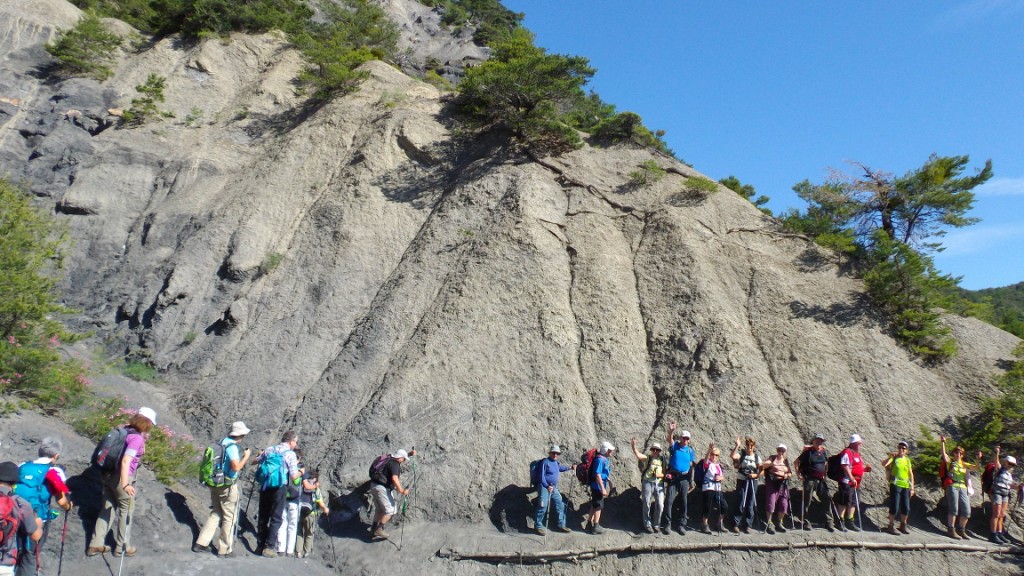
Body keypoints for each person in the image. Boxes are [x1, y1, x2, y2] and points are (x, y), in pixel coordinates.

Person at [88, 406, 156, 557]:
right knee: (126, 511)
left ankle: (95, 544)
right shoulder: (136, 438)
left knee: (107, 508)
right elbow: (126, 461)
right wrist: (126, 484)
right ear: (147, 422)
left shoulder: (124, 431)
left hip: (108, 475)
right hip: (122, 478)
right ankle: (122, 547)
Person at [14, 437, 72, 575]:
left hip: (15, 513)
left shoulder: (22, 465)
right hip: (37, 517)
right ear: (56, 455)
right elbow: (61, 501)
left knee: (15, 550)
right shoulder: (54, 471)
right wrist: (69, 507)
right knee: (31, 553)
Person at [193, 421, 251, 557]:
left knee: (216, 512)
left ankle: (201, 543)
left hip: (214, 483)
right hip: (227, 485)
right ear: (241, 434)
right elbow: (236, 467)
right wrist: (246, 457)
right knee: (229, 516)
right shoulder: (232, 447)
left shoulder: (221, 442)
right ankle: (224, 549)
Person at [253, 431, 301, 557]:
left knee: (263, 516)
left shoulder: (270, 449)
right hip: (279, 488)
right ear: (291, 441)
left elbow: (256, 461)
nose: (295, 445)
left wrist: (259, 456)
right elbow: (294, 478)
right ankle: (269, 547)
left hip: (265, 486)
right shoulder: (290, 454)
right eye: (295, 442)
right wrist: (301, 473)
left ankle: (259, 545)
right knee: (276, 517)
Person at [0, 462, 43, 576]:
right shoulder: (21, 504)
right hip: (4, 563)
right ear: (14, 483)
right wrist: (38, 524)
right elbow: (35, 536)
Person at [369, 448, 415, 540]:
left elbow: (400, 457)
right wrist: (401, 490)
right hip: (382, 488)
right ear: (400, 458)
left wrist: (409, 454)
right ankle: (379, 529)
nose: (404, 461)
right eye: (404, 459)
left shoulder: (388, 458)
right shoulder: (395, 464)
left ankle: (373, 528)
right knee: (391, 510)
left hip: (373, 485)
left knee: (380, 509)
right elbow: (394, 478)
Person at [662, 423, 696, 534]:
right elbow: (669, 439)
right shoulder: (675, 446)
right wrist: (671, 431)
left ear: (689, 440)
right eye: (683, 438)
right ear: (680, 438)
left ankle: (682, 525)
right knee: (669, 501)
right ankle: (667, 524)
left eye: (687, 438)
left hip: (684, 478)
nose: (685, 440)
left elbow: (691, 465)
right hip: (673, 476)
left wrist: (691, 480)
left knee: (683, 502)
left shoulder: (690, 451)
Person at [533, 445, 574, 535]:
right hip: (544, 487)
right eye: (554, 453)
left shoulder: (556, 463)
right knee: (543, 506)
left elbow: (560, 468)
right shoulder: (545, 462)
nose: (555, 455)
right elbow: (541, 476)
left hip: (553, 488)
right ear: (550, 453)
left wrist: (570, 467)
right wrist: (547, 486)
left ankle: (561, 525)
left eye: (557, 453)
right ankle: (538, 526)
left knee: (560, 504)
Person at [796, 434, 833, 531]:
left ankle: (829, 521)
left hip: (821, 480)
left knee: (826, 498)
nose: (819, 442)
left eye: (821, 441)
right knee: (807, 500)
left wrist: (825, 472)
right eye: (817, 440)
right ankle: (806, 522)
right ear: (813, 441)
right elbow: (796, 462)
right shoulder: (808, 452)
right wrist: (798, 475)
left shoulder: (823, 452)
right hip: (809, 479)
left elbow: (825, 463)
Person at [939, 435, 973, 540]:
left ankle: (961, 530)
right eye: (956, 452)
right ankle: (951, 529)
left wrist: (978, 459)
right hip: (952, 485)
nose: (958, 454)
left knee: (967, 511)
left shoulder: (964, 464)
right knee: (954, 509)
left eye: (960, 453)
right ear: (953, 453)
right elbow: (944, 454)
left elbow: (976, 467)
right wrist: (943, 442)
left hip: (963, 487)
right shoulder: (951, 462)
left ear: (963, 455)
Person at [836, 433, 870, 532]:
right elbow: (845, 466)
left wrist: (865, 469)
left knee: (854, 502)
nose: (861, 444)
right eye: (859, 443)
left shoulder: (856, 454)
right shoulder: (847, 452)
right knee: (844, 501)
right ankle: (840, 521)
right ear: (854, 443)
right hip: (847, 481)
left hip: (856, 483)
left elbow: (856, 468)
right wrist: (851, 478)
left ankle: (850, 521)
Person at [630, 437, 665, 533]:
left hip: (659, 483)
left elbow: (666, 473)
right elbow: (638, 455)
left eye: (657, 450)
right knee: (646, 503)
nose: (655, 451)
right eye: (653, 449)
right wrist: (633, 446)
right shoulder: (647, 458)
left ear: (659, 451)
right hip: (648, 482)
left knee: (660, 505)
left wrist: (660, 475)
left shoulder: (663, 460)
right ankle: (647, 524)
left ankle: (656, 524)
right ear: (651, 450)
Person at [882, 440, 915, 535]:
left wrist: (912, 487)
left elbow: (910, 474)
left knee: (906, 507)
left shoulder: (907, 460)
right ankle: (890, 525)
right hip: (895, 484)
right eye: (899, 447)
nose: (901, 449)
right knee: (895, 506)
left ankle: (903, 525)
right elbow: (884, 464)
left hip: (905, 485)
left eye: (903, 448)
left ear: (906, 450)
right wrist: (890, 456)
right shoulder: (894, 458)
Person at [730, 436, 761, 533]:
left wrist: (755, 475)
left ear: (754, 446)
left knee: (750, 503)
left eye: (751, 445)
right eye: (747, 445)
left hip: (753, 481)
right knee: (740, 501)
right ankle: (736, 524)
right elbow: (732, 456)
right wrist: (737, 446)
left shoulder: (756, 457)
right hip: (742, 480)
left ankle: (748, 525)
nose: (749, 447)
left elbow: (762, 470)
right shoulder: (741, 454)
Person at [295, 469, 329, 558]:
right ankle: (306, 552)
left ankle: (298, 551)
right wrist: (325, 509)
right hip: (310, 514)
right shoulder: (315, 489)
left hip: (299, 511)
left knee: (299, 531)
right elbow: (320, 503)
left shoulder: (302, 485)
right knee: (309, 533)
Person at [277, 448, 305, 557]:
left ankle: (280, 549)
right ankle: (289, 551)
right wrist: (301, 473)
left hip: (283, 497)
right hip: (294, 500)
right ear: (299, 458)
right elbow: (297, 482)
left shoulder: (284, 465)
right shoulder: (299, 468)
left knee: (282, 523)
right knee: (292, 526)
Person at [759, 444, 792, 534]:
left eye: (783, 451)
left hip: (782, 484)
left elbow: (790, 473)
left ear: (785, 452)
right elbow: (763, 465)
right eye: (779, 450)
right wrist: (770, 464)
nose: (781, 452)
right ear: (777, 450)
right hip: (772, 482)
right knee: (771, 502)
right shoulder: (772, 458)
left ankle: (779, 522)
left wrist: (786, 475)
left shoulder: (786, 461)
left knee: (784, 503)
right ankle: (769, 523)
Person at [990, 445, 1017, 544]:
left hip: (1006, 493)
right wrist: (997, 452)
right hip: (997, 492)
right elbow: (996, 461)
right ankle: (993, 534)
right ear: (1005, 462)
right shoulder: (1000, 469)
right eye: (1010, 463)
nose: (1011, 466)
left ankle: (999, 533)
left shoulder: (1009, 475)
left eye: (1013, 465)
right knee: (996, 514)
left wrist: (1019, 487)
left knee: (1001, 514)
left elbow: (1010, 485)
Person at [587, 442, 615, 535]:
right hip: (597, 486)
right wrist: (603, 488)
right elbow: (598, 475)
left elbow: (604, 474)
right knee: (599, 506)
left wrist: (609, 482)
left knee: (594, 505)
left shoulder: (604, 459)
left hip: (598, 485)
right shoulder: (600, 460)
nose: (611, 452)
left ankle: (589, 524)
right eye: (610, 450)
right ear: (606, 450)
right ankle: (596, 526)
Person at [699, 443, 725, 534]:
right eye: (712, 454)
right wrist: (709, 450)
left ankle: (719, 523)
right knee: (707, 506)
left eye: (716, 455)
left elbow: (722, 476)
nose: (714, 456)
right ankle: (704, 524)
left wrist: (720, 478)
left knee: (724, 506)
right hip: (708, 487)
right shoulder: (707, 463)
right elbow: (706, 460)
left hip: (717, 488)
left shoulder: (719, 465)